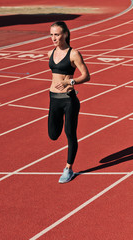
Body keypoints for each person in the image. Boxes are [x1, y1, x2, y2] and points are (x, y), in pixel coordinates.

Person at [48, 21, 90, 183]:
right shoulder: (50, 53)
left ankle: (68, 168)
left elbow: (86, 75)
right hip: (53, 98)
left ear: (65, 34)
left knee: (70, 133)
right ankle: (68, 167)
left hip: (69, 100)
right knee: (53, 135)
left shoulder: (74, 54)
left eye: (57, 34)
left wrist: (70, 82)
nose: (53, 38)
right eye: (51, 35)